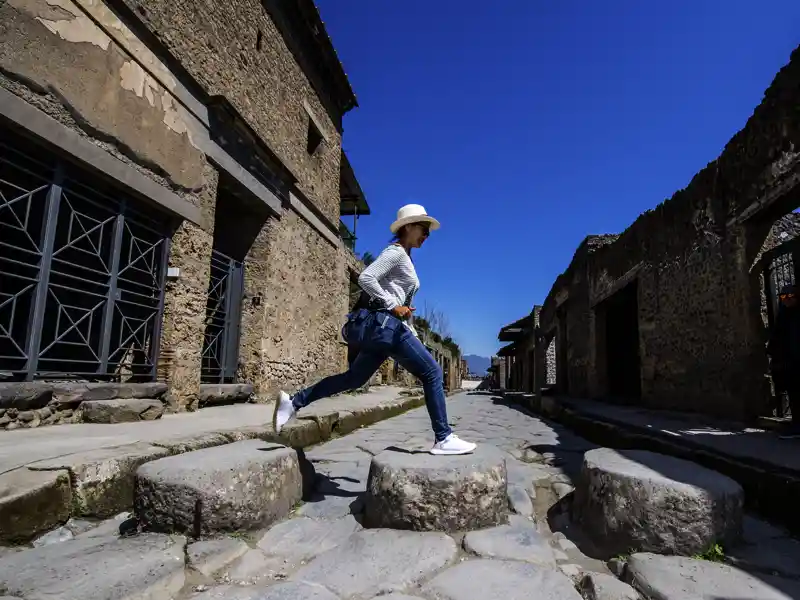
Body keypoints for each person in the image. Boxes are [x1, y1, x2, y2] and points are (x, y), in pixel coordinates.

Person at [273, 204, 477, 455]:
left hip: (389, 330)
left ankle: (293, 402)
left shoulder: (406, 257)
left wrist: (407, 324)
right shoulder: (396, 253)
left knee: (353, 379)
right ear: (409, 227)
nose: (427, 235)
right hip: (387, 327)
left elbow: (401, 303)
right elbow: (366, 278)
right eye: (424, 229)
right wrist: (393, 306)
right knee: (433, 373)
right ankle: (444, 438)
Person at [768, 283, 800, 439]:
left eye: (790, 296)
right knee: (794, 394)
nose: (786, 299)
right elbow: (777, 338)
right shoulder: (783, 316)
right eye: (783, 297)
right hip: (790, 363)